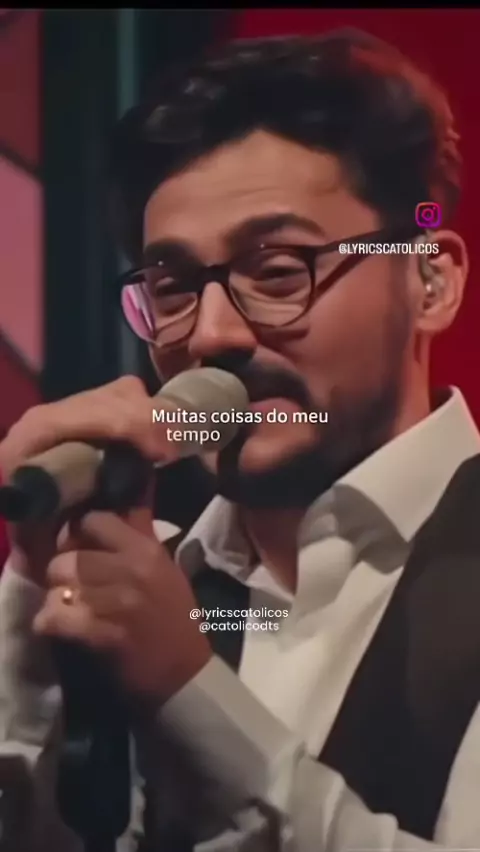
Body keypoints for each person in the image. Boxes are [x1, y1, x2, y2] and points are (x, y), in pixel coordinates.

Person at [0, 27, 478, 852]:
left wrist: (186, 692)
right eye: (173, 287)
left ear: (428, 281)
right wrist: (29, 597)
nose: (212, 334)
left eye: (279, 270)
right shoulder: (152, 577)